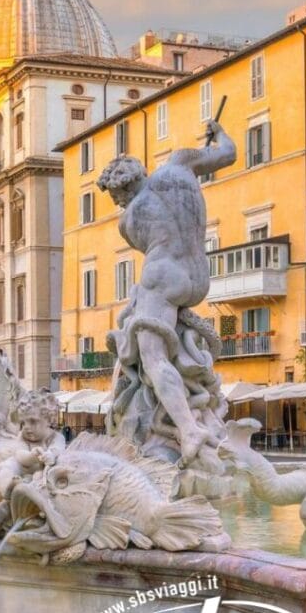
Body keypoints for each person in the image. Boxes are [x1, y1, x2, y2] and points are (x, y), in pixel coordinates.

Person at [97, 117, 236, 471]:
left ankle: (188, 431)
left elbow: (146, 248)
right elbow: (228, 154)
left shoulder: (128, 219)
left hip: (162, 275)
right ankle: (191, 414)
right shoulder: (179, 163)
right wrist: (217, 132)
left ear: (122, 192)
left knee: (154, 358)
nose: (117, 203)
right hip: (198, 276)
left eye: (115, 197)